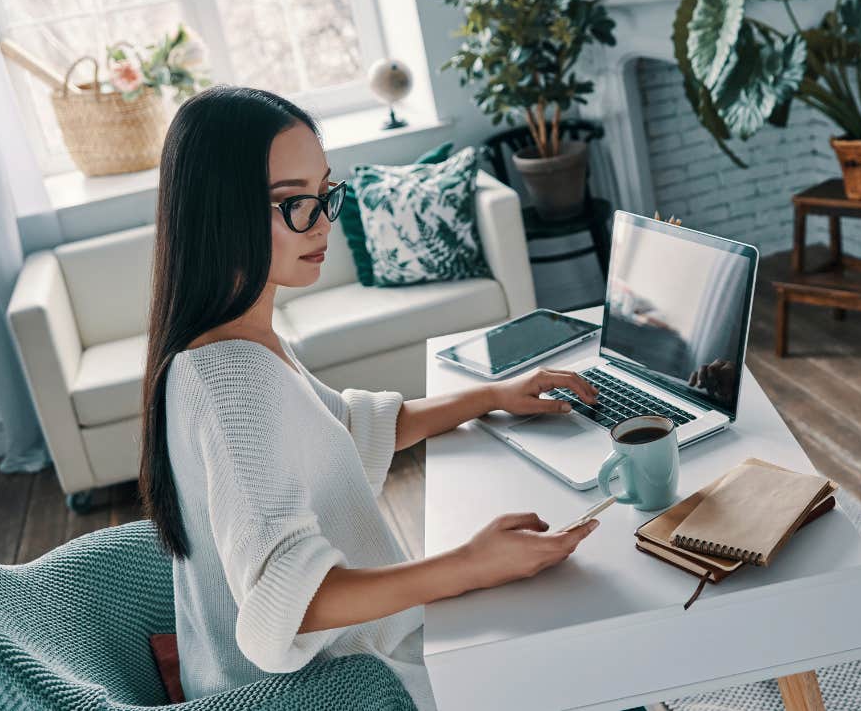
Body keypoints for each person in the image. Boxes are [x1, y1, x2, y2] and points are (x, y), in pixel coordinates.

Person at [138, 86, 602, 708]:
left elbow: (348, 429)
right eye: (293, 203)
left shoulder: (239, 341)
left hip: (353, 663)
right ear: (219, 213)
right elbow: (291, 604)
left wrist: (492, 395)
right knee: (584, 641)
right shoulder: (228, 379)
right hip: (337, 692)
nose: (324, 222)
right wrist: (469, 565)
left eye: (324, 193)